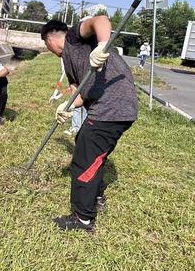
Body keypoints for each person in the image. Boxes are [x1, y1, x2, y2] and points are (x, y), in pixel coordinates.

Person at [41, 16, 138, 232]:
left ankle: (82, 218)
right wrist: (65, 108)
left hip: (112, 105)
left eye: (47, 46)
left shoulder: (74, 39)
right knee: (88, 147)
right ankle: (97, 196)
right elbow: (80, 93)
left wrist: (102, 46)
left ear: (49, 40)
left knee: (84, 159)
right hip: (110, 107)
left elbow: (101, 20)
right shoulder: (68, 61)